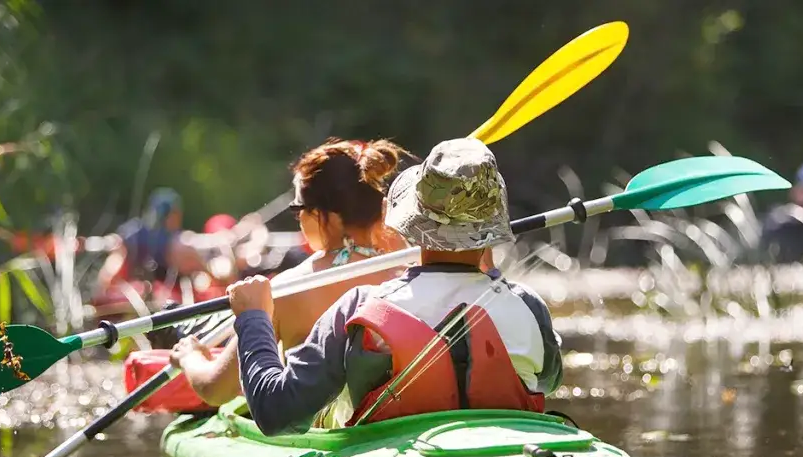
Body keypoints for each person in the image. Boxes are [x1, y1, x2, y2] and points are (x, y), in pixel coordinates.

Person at [206, 137, 563, 435]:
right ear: (492, 228)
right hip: (507, 447)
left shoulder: (360, 308)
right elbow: (547, 380)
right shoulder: (529, 306)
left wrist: (253, 318)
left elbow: (273, 412)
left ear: (413, 222)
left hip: (388, 456)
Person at [170, 138, 416, 405]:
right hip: (392, 417)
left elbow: (215, 389)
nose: (298, 219)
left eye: (298, 210)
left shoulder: (288, 288)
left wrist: (190, 356)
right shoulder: (409, 272)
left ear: (328, 217)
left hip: (324, 432)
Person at [95, 187, 229, 294]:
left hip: (148, 291)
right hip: (147, 295)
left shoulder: (135, 233)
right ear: (172, 215)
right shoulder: (178, 244)